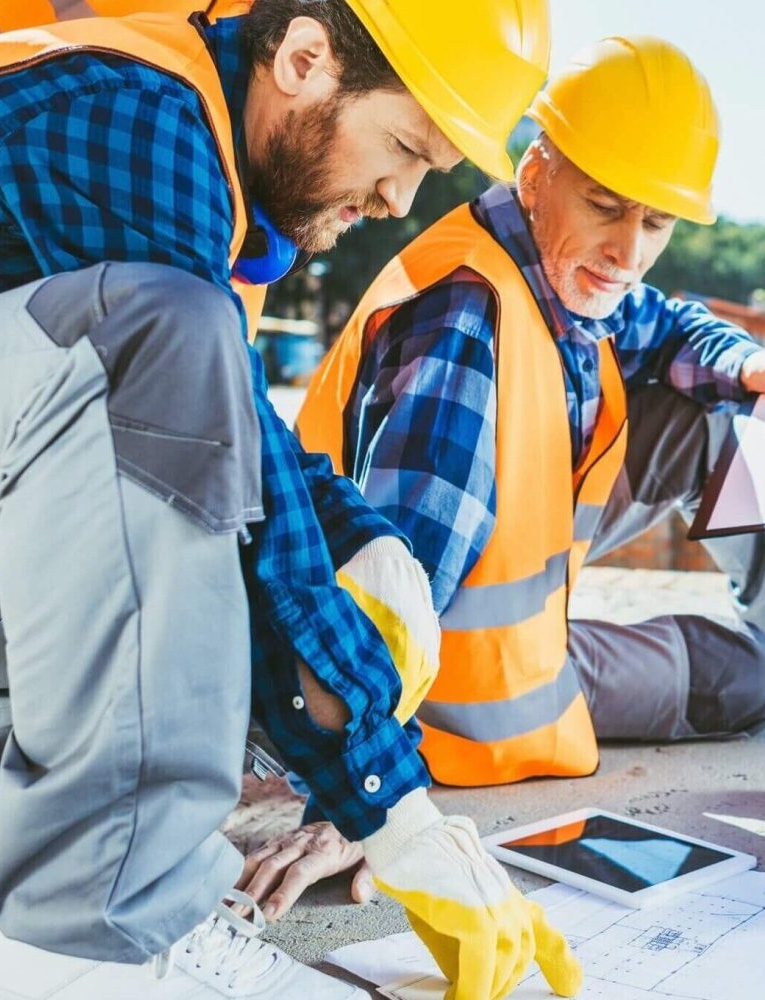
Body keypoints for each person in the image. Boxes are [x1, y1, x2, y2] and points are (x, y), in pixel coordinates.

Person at [0, 2, 583, 999]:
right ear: (301, 59)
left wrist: (362, 542)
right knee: (168, 368)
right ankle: (87, 947)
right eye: (406, 147)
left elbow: (246, 445)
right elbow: (220, 489)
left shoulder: (204, 164)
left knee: (251, 503)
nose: (399, 197)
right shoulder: (134, 119)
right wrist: (394, 804)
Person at [289, 33, 765, 907]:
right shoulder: (465, 323)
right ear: (537, 170)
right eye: (606, 205)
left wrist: (742, 366)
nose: (628, 250)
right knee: (749, 685)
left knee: (725, 417)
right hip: (456, 697)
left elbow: (668, 320)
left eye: (654, 223)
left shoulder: (562, 270)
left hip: (520, 619)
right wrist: (361, 796)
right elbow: (406, 578)